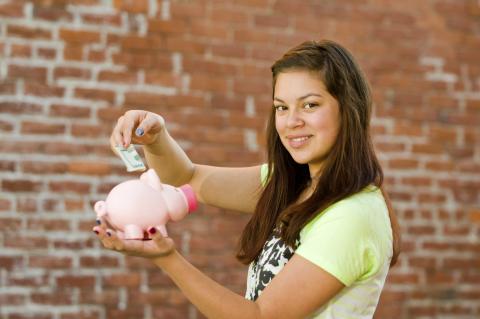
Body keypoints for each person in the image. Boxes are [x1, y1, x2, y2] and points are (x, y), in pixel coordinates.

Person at [93, 40, 401, 318]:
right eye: (282, 107)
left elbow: (261, 316)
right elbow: (188, 179)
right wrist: (155, 138)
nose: (292, 121)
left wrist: (166, 257)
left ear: (349, 110)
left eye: (310, 105)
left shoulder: (352, 215)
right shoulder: (291, 184)